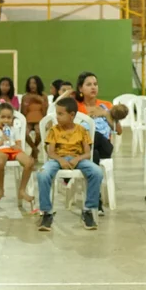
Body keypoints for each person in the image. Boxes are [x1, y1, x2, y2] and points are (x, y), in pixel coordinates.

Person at [36, 97, 102, 232]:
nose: (57, 117)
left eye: (61, 114)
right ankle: (46, 212)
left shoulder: (82, 130)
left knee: (97, 172)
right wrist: (60, 160)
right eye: (56, 113)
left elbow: (87, 153)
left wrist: (77, 159)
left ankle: (88, 210)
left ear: (72, 115)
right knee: (42, 173)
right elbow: (51, 152)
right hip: (57, 159)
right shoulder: (54, 130)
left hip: (78, 159)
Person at [0, 103, 35, 205]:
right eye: (3, 117)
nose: (6, 120)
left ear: (12, 119)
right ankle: (1, 190)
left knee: (30, 162)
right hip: (0, 150)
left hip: (13, 150)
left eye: (9, 118)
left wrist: (15, 145)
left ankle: (22, 190)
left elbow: (19, 147)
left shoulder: (14, 130)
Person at [74, 71, 120, 166]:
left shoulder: (106, 105)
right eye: (89, 84)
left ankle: (67, 179)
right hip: (81, 146)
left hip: (104, 147)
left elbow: (119, 130)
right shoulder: (75, 106)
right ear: (80, 88)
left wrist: (105, 114)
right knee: (94, 154)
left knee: (96, 135)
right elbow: (56, 109)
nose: (93, 87)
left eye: (95, 84)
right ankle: (93, 178)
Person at [21, 75, 48, 157]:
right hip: (28, 121)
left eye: (34, 83)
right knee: (24, 133)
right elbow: (22, 113)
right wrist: (26, 104)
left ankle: (33, 152)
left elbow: (45, 113)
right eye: (30, 83)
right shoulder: (25, 97)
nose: (32, 85)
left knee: (39, 132)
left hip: (39, 120)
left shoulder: (44, 96)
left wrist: (41, 101)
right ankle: (35, 149)